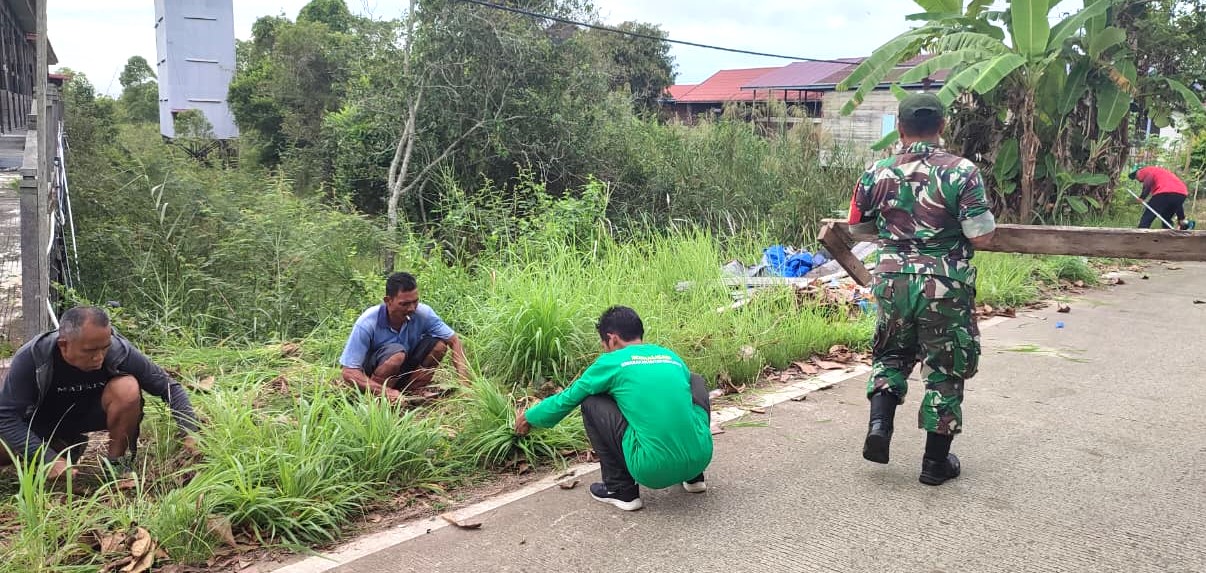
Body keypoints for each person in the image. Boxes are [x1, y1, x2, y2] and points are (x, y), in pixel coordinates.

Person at [847, 93, 996, 486]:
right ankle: (934, 464)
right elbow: (981, 234)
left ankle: (880, 427)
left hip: (892, 280)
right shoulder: (963, 172)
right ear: (942, 126)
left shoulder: (876, 171)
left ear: (900, 128)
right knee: (945, 367)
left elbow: (856, 224)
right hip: (943, 283)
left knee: (891, 353)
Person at [514, 306, 713, 511]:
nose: (605, 349)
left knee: (591, 401)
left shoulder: (611, 362)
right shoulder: (670, 357)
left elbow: (568, 398)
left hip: (652, 469)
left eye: (604, 345)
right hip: (701, 457)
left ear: (612, 339)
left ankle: (620, 489)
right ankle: (694, 478)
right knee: (695, 381)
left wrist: (530, 417)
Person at [0, 306, 200, 482]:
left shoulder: (119, 351)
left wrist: (190, 432)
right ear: (64, 345)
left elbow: (170, 387)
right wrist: (46, 458)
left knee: (127, 388)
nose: (99, 357)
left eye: (105, 348)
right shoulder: (33, 357)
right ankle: (63, 446)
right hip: (42, 423)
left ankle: (117, 466)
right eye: (90, 351)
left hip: (90, 414)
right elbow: (6, 416)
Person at [339, 272, 469, 403]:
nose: (412, 308)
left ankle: (413, 391)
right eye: (404, 304)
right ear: (388, 301)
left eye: (415, 301)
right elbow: (349, 372)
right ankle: (376, 399)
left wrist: (464, 383)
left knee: (439, 346)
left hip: (404, 369)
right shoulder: (368, 322)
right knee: (397, 355)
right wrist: (385, 392)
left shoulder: (423, 313)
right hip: (374, 378)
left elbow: (454, 340)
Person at [1130, 165, 1190, 230]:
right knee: (1166, 216)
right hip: (1182, 193)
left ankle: (1141, 232)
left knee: (1148, 214)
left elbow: (1148, 182)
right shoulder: (1161, 172)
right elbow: (1176, 201)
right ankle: (1173, 230)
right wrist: (1181, 217)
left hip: (1165, 192)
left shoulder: (1146, 171)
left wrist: (1142, 197)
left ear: (1138, 171)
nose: (1137, 180)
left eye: (1135, 177)